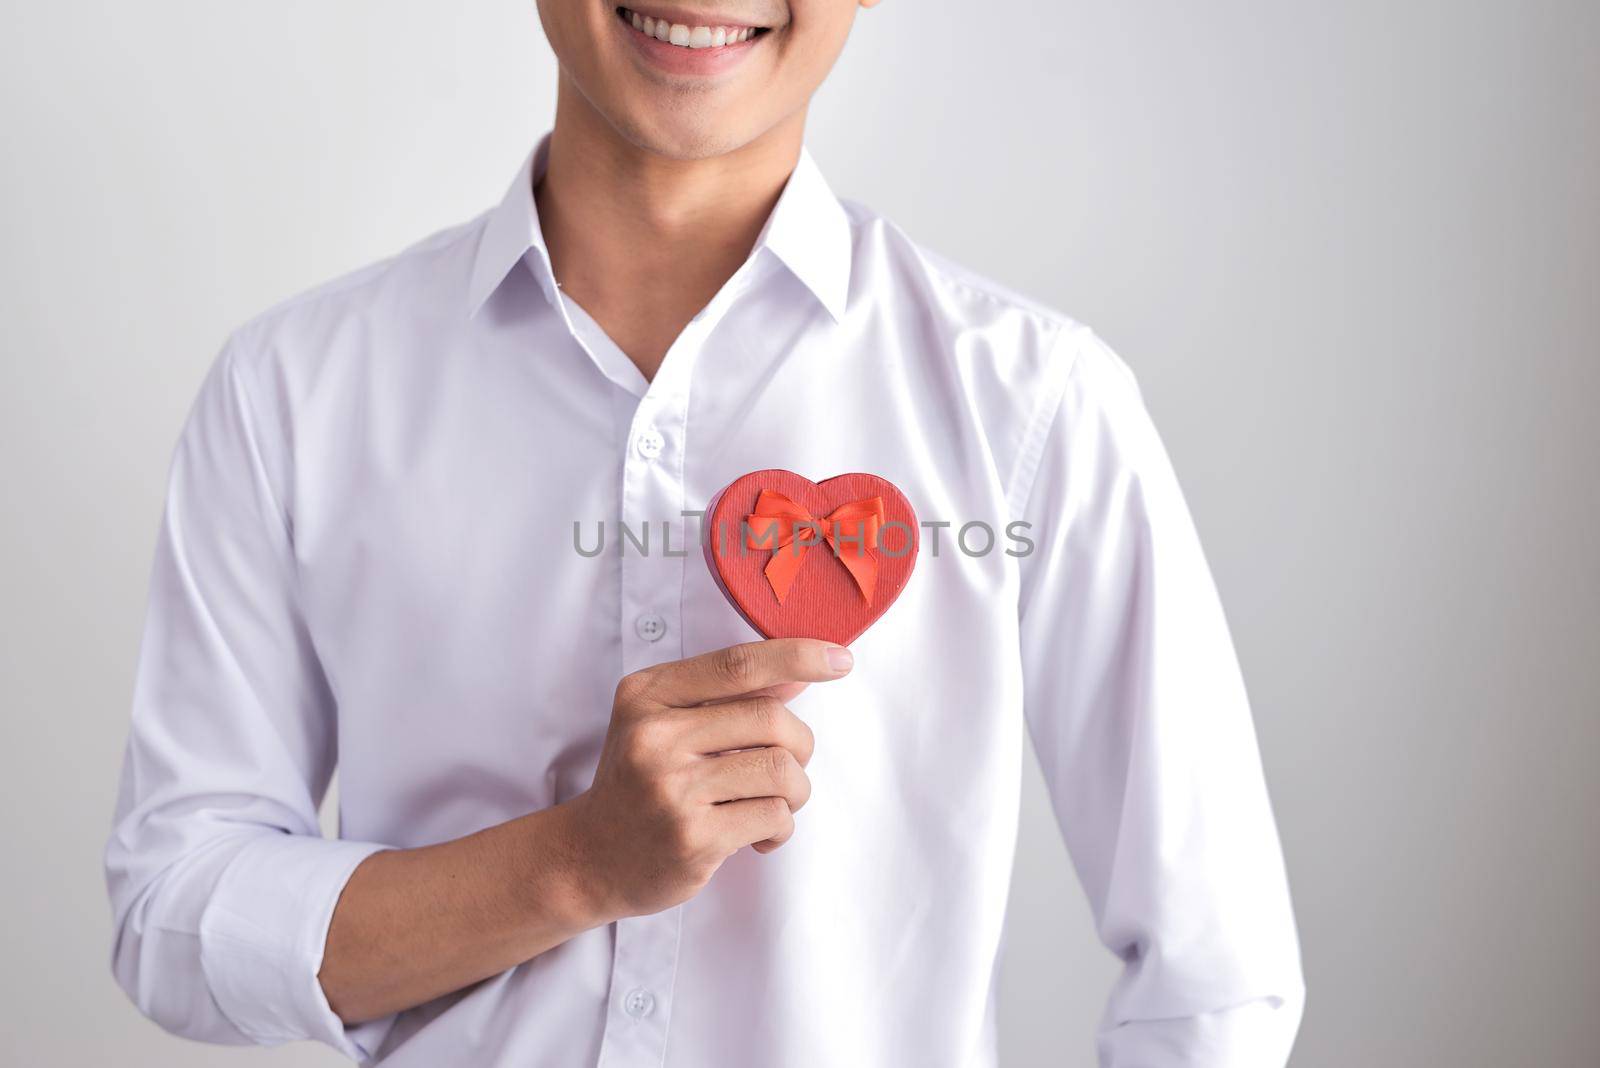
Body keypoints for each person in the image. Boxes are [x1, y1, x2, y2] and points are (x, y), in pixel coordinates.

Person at [104, 2, 1305, 1065]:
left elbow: (1214, 979)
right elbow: (173, 912)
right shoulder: (293, 393)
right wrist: (573, 865)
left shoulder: (1036, 404)